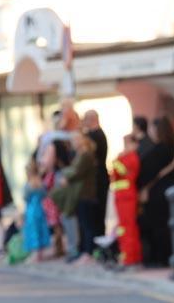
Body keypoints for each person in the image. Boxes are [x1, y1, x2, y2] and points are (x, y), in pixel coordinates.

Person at [136, 115, 174, 268]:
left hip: (157, 194)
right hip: (171, 191)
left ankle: (160, 258)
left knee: (158, 227)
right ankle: (171, 256)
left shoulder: (158, 150)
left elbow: (146, 172)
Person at [51, 130, 96, 262]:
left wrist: (66, 176)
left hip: (85, 194)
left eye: (76, 140)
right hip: (80, 194)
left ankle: (88, 252)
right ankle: (82, 251)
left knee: (87, 225)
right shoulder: (79, 155)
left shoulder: (86, 155)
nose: (74, 143)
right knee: (81, 224)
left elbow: (76, 171)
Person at [109, 133, 143, 267]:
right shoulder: (124, 156)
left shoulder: (132, 157)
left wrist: (117, 161)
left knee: (128, 227)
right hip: (121, 196)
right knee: (123, 227)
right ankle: (126, 255)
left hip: (127, 196)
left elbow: (127, 173)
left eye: (128, 143)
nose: (125, 146)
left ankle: (131, 258)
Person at [82, 110, 109, 240]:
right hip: (98, 178)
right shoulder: (94, 135)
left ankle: (99, 241)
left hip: (99, 180)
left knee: (98, 213)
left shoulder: (96, 136)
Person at [22, 159, 52, 259]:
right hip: (40, 208)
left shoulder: (28, 184)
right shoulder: (40, 183)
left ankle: (35, 253)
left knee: (32, 229)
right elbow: (44, 195)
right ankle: (41, 253)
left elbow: (25, 197)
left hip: (31, 209)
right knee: (41, 228)